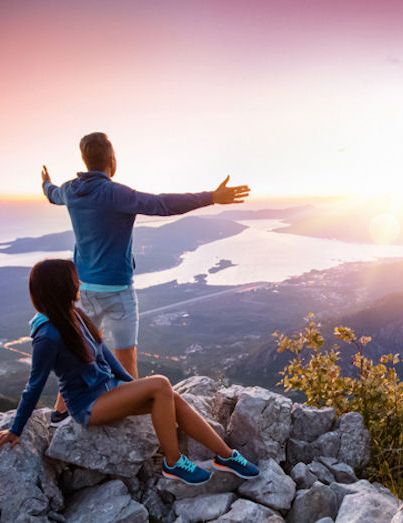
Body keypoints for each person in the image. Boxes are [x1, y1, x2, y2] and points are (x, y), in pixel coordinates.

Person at [0, 259, 259, 485]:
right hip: (88, 406)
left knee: (169, 396)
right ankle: (173, 463)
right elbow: (34, 385)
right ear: (61, 286)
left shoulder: (74, 313)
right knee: (161, 383)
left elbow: (104, 352)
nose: (79, 283)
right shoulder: (47, 334)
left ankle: (225, 455)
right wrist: (15, 429)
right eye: (74, 279)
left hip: (110, 391)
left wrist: (133, 388)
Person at [40, 132, 250, 424]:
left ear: (85, 161)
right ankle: (133, 415)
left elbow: (52, 194)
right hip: (118, 291)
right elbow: (161, 204)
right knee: (126, 355)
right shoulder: (116, 193)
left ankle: (60, 412)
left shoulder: (70, 190)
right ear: (112, 161)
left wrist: (45, 183)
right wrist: (212, 197)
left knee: (78, 350)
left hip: (83, 289)